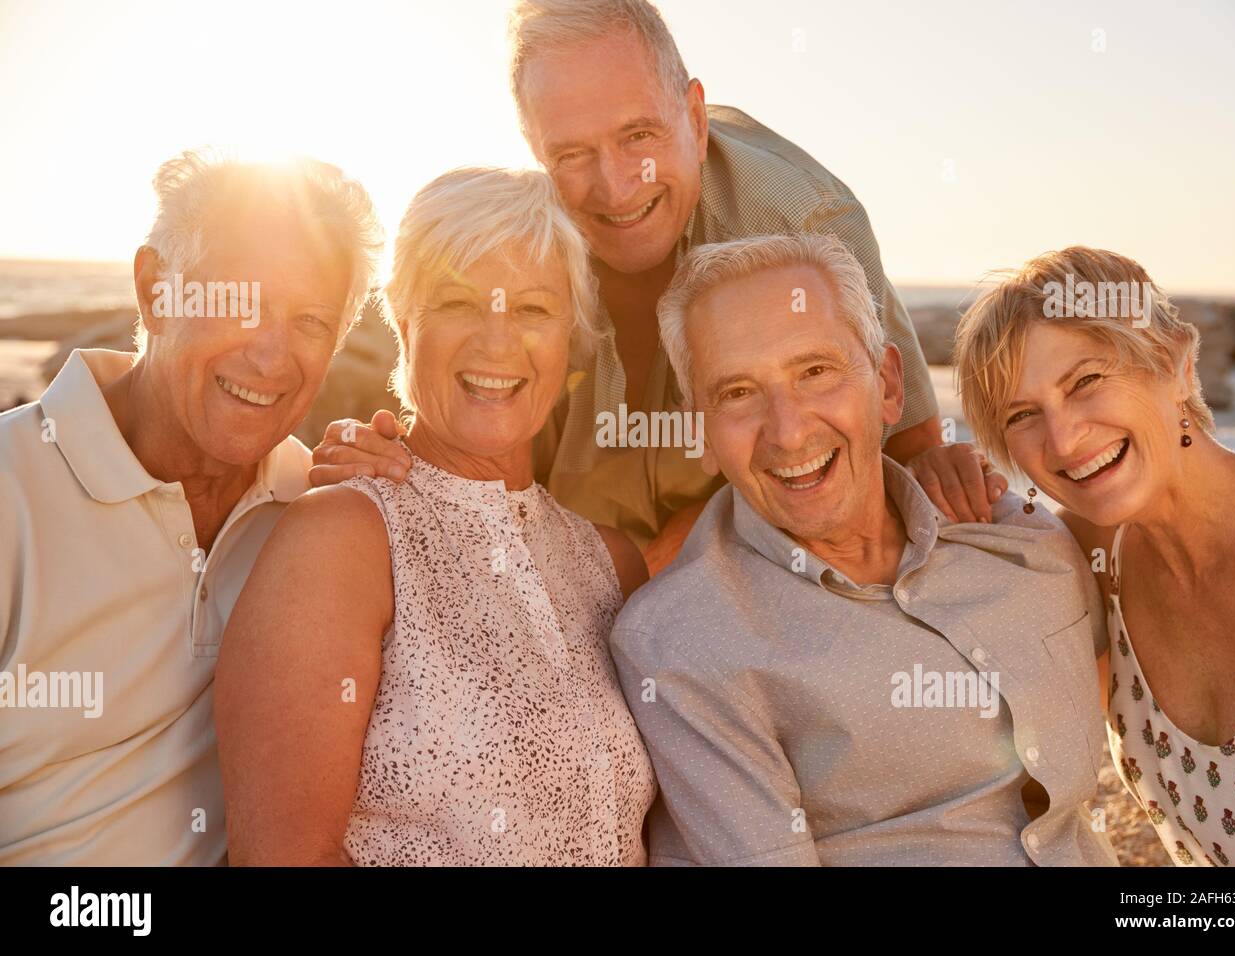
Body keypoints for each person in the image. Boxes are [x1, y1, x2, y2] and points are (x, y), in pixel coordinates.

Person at [309, 0, 1003, 571]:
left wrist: (687, 544)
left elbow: (897, 443)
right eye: (572, 153)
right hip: (571, 583)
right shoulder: (530, 251)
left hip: (742, 574)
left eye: (639, 136)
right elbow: (466, 419)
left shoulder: (805, 224)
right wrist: (387, 456)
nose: (615, 188)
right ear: (536, 151)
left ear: (695, 120)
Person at [608, 233, 1116, 866]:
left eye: (815, 372)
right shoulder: (682, 640)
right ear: (700, 432)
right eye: (737, 393)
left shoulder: (1024, 541)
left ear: (887, 385)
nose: (789, 431)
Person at [214, 168, 657, 866]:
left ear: (573, 336)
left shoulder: (611, 563)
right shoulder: (340, 541)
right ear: (403, 315)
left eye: (534, 310)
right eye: (458, 302)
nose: (496, 342)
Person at [0, 149, 382, 864]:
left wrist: (399, 487)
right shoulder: (10, 489)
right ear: (154, 291)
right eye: (240, 302)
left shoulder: (322, 511)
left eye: (310, 321)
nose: (271, 357)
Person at [953, 246, 1235, 866]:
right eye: (1022, 415)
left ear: (1174, 364)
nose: (1062, 440)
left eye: (1085, 381)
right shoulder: (1086, 554)